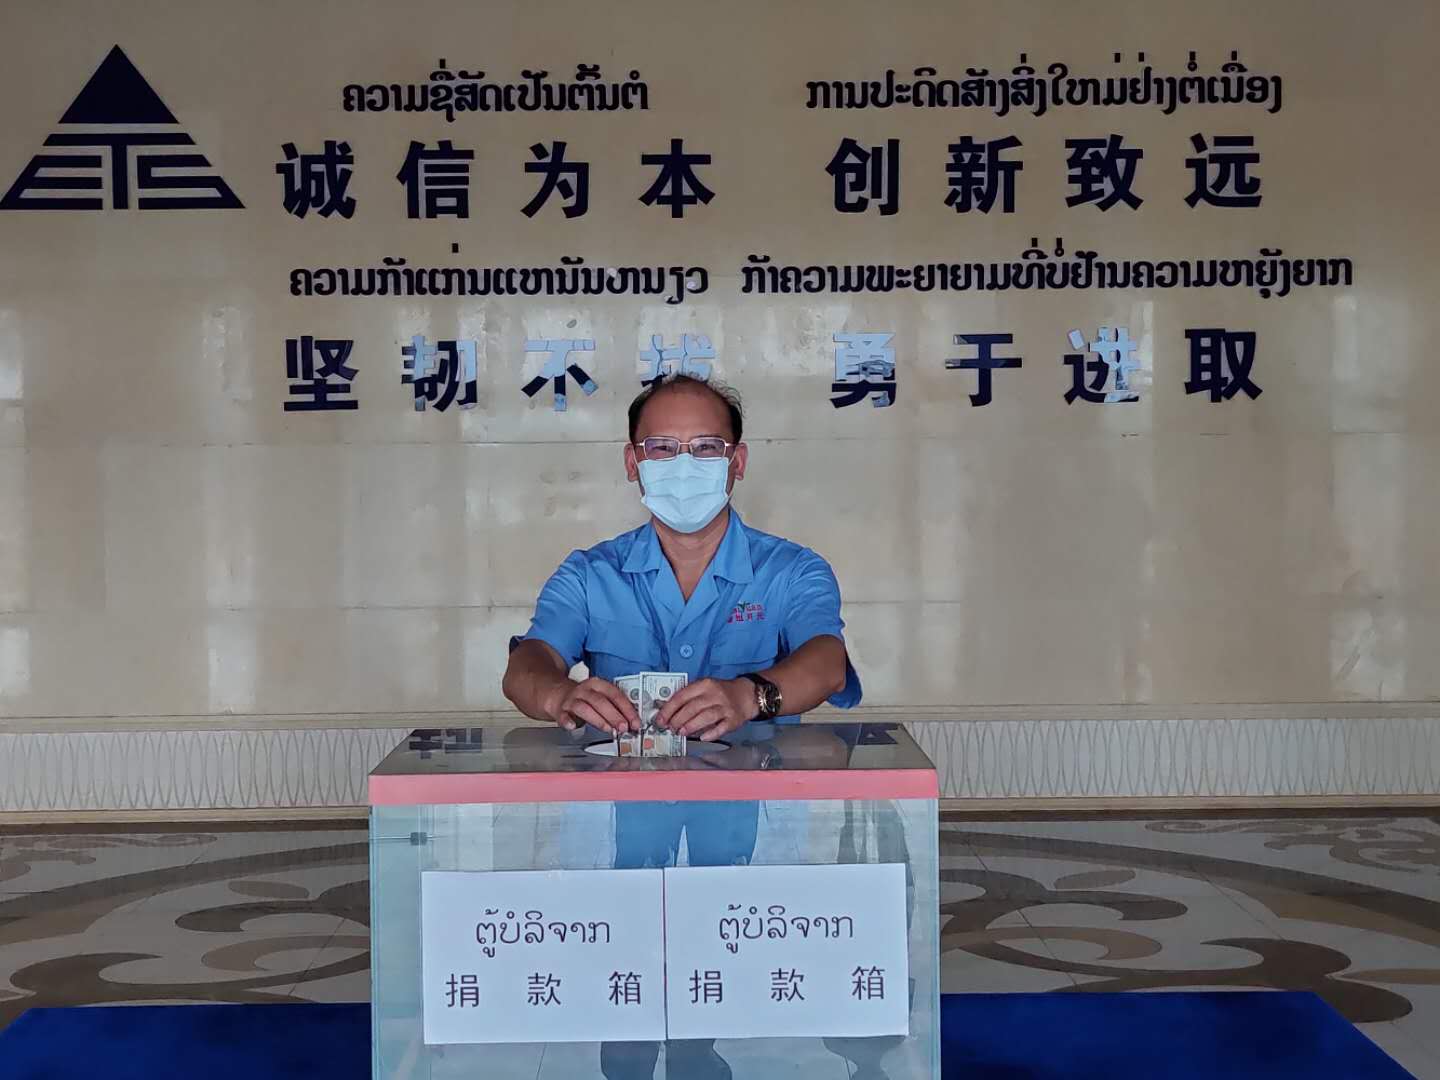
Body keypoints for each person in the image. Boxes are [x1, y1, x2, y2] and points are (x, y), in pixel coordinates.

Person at [502, 373, 862, 1079]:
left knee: (720, 964)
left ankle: (703, 1054)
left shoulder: (790, 570)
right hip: (621, 826)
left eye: (705, 447)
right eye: (662, 448)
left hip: (747, 823)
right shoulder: (590, 573)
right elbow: (529, 663)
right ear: (632, 462)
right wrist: (558, 694)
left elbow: (825, 661)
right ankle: (627, 1054)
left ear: (738, 460)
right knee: (627, 973)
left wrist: (752, 695)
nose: (683, 464)